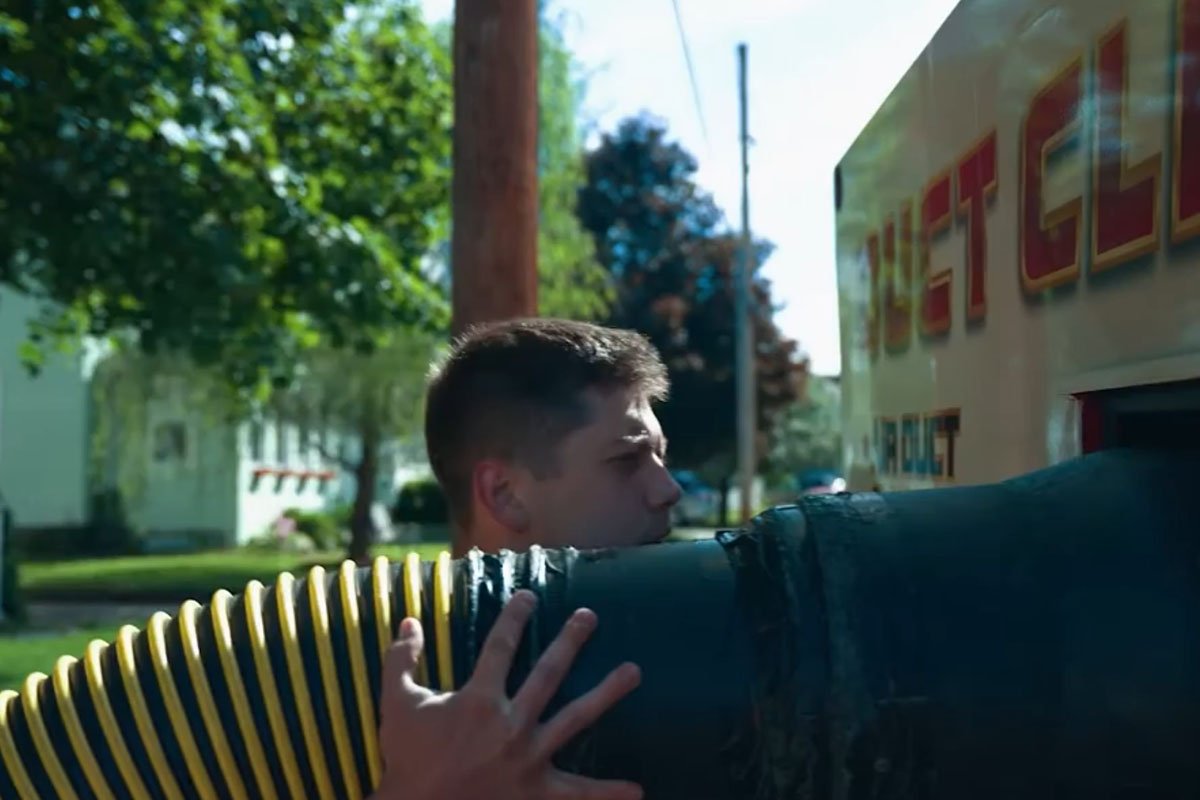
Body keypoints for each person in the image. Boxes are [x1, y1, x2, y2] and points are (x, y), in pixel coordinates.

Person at [370, 318, 683, 800]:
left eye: (661, 458)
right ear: (505, 495)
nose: (668, 490)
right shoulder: (362, 675)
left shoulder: (686, 639)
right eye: (627, 460)